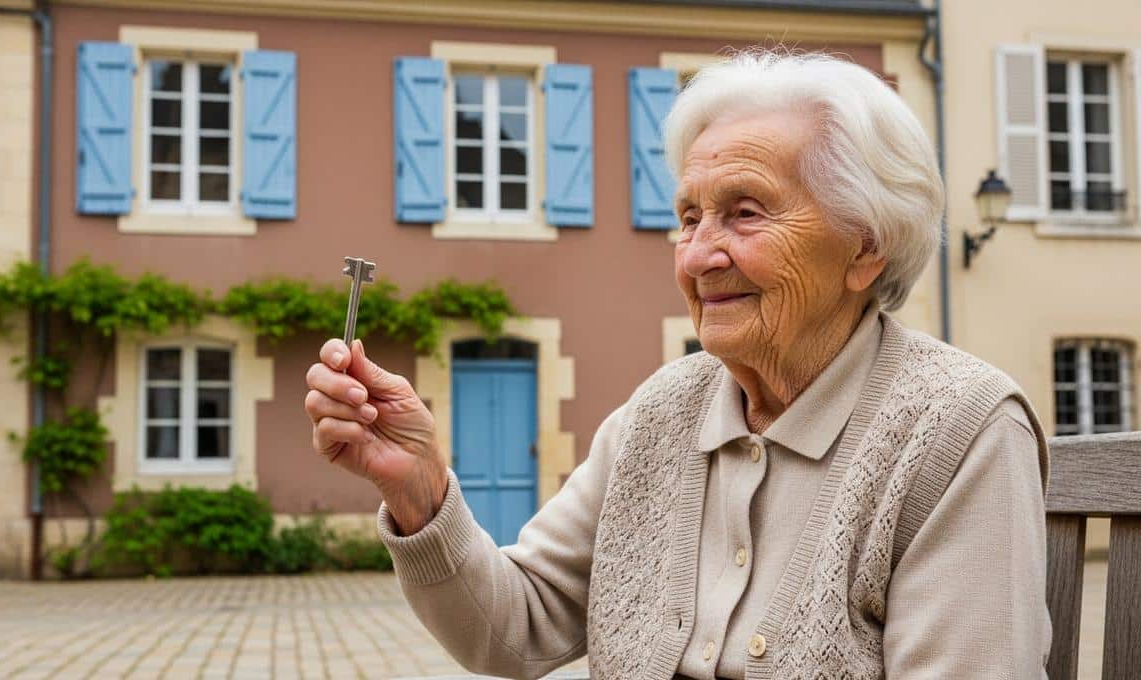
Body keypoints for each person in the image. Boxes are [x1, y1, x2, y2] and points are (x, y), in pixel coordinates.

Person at [304, 49, 1051, 679]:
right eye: (689, 216)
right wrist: (419, 488)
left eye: (746, 212)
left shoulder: (959, 430)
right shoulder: (664, 411)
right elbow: (515, 625)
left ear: (866, 246)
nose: (697, 255)